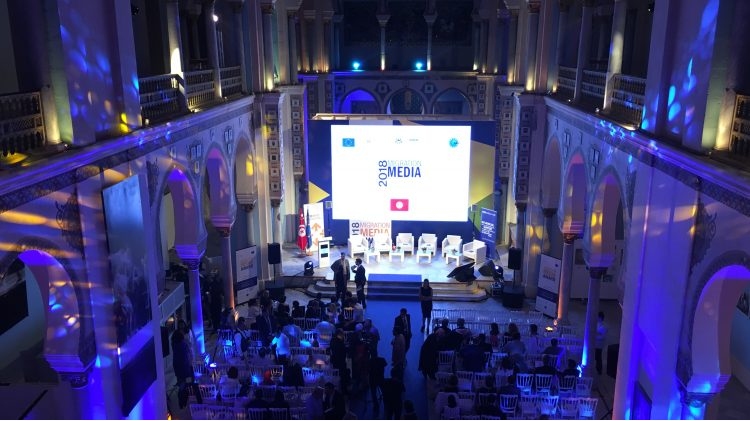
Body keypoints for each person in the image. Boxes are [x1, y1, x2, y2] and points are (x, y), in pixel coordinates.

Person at [596, 311, 608, 375]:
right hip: (596, 344)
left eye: (597, 317)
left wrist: (595, 337)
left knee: (598, 358)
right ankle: (597, 369)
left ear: (600, 318)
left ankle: (599, 370)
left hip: (599, 345)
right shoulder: (597, 325)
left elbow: (603, 337)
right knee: (597, 357)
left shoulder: (603, 327)